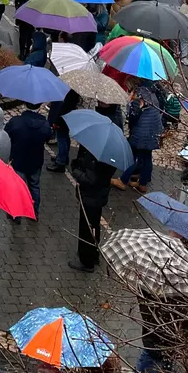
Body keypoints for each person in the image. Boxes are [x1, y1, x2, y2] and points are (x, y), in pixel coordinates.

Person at [69, 145, 116, 273]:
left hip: (90, 197)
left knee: (86, 228)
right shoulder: (111, 153)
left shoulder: (94, 156)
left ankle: (87, 261)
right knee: (94, 226)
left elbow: (90, 179)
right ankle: (94, 253)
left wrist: (76, 171)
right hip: (99, 196)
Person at [114, 84, 164, 193]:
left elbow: (133, 116)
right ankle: (142, 184)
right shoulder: (153, 91)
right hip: (153, 131)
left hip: (141, 132)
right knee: (147, 157)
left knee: (132, 156)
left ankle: (123, 180)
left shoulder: (139, 94)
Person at [7, 102, 50, 218]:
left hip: (18, 160)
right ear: (39, 106)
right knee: (34, 186)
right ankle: (33, 213)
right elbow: (48, 137)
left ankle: (16, 215)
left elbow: (7, 133)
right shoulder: (45, 124)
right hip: (35, 161)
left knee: (18, 188)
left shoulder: (16, 122)